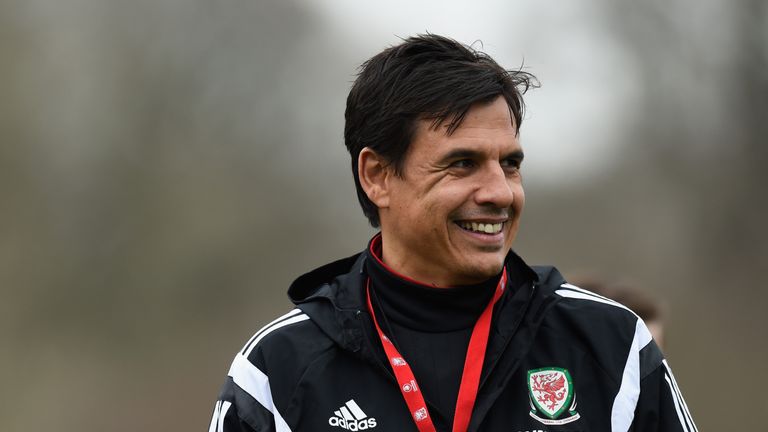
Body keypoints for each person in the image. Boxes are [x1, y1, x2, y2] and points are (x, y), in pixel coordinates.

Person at [208, 34, 697, 432]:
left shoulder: (610, 343)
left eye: (510, 164)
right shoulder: (276, 370)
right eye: (462, 164)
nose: (500, 192)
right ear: (377, 175)